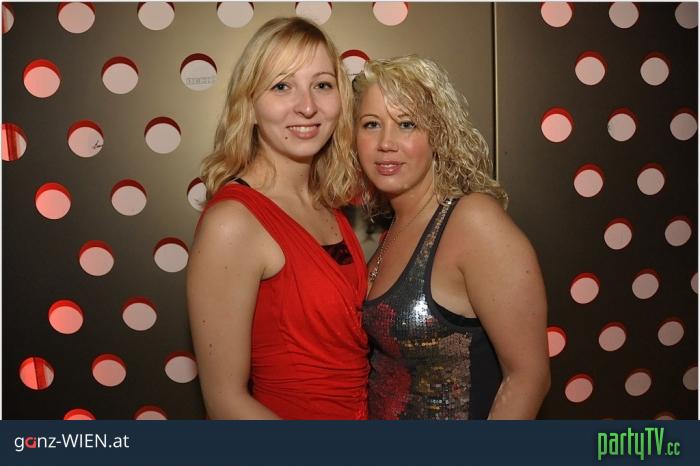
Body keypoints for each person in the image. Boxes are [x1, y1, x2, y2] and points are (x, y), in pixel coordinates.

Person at [186, 17, 369, 420]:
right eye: (282, 86)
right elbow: (225, 404)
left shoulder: (325, 205)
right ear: (249, 106)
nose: (307, 106)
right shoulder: (233, 223)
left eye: (322, 85)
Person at [353, 55, 550, 420]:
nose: (385, 142)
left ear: (438, 136)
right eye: (371, 124)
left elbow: (528, 377)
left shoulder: (473, 221)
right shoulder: (393, 230)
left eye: (407, 124)